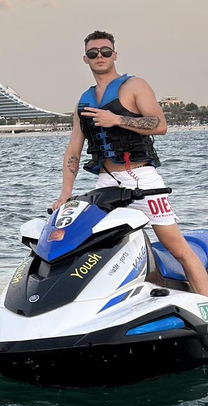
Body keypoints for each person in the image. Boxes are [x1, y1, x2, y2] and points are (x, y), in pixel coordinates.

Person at [53, 30, 208, 296]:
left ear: (115, 55)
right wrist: (65, 194)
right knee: (93, 249)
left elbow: (159, 125)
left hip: (141, 178)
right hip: (105, 183)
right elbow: (73, 150)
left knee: (177, 248)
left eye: (105, 51)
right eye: (93, 53)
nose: (99, 56)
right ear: (85, 59)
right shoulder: (84, 101)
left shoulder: (135, 86)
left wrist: (117, 120)